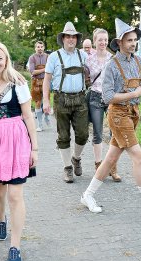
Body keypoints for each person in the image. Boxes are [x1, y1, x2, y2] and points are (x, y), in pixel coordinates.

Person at [80, 18, 141, 218]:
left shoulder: (138, 60)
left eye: (135, 40)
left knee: (110, 159)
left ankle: (88, 195)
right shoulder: (111, 65)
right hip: (118, 115)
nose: (133, 43)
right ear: (120, 43)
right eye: (129, 40)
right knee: (139, 157)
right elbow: (107, 97)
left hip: (133, 114)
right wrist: (134, 94)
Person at [0, 41, 38, 261]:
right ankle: (0, 220)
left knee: (15, 196)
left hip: (16, 141)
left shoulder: (18, 82)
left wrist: (34, 148)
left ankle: (15, 246)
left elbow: (28, 117)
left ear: (6, 60)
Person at [43, 22, 89, 183]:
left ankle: (76, 158)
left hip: (80, 98)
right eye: (68, 36)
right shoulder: (54, 56)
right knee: (63, 136)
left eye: (74, 37)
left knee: (83, 134)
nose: (71, 39)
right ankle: (67, 168)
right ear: (63, 38)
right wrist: (45, 101)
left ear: (77, 39)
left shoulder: (83, 55)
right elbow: (47, 79)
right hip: (61, 99)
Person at [85, 28, 121, 182]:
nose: (103, 42)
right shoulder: (88, 59)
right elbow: (85, 79)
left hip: (110, 98)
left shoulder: (113, 58)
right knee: (98, 133)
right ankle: (99, 166)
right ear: (95, 41)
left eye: (105, 40)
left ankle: (112, 167)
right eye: (100, 40)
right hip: (94, 97)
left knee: (114, 134)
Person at [28, 41, 50, 131]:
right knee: (37, 102)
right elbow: (32, 71)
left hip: (46, 81)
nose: (40, 48)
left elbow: (52, 69)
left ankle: (46, 116)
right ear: (35, 48)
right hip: (36, 82)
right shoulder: (32, 58)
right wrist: (45, 69)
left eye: (41, 47)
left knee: (46, 101)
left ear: (44, 48)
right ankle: (40, 125)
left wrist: (41, 70)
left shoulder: (48, 57)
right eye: (38, 47)